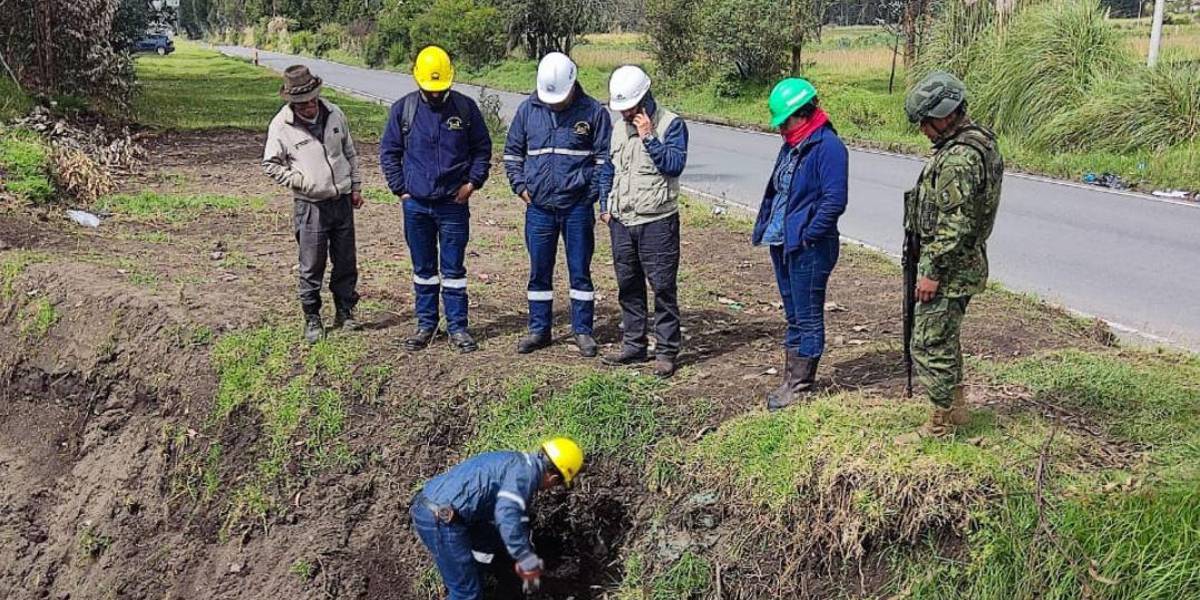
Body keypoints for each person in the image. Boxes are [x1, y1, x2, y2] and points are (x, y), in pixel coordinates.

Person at [900, 71, 1004, 439]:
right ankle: (957, 409)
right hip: (961, 262)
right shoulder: (978, 141)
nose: (923, 130)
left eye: (926, 121)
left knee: (928, 342)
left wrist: (931, 271)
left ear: (945, 115)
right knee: (944, 338)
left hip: (950, 267)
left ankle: (940, 424)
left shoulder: (960, 158)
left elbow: (954, 224)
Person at [380, 46, 492, 353]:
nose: (435, 93)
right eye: (430, 89)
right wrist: (401, 190)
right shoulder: (403, 110)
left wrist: (472, 183)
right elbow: (389, 152)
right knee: (424, 269)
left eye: (440, 88)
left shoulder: (465, 109)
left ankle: (458, 327)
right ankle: (426, 325)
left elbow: (482, 149)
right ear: (417, 79)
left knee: (453, 270)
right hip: (416, 205)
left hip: (453, 205)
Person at [503, 52, 613, 357]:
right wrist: (521, 188)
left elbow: (605, 160)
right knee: (539, 271)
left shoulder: (593, 112)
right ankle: (539, 329)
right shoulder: (527, 110)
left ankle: (582, 331)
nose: (554, 103)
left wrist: (589, 195)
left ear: (573, 84)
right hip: (539, 209)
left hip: (577, 208)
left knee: (580, 270)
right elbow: (512, 154)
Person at [751, 78, 848, 411]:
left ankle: (802, 386)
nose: (781, 128)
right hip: (784, 242)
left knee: (807, 316)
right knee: (793, 314)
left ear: (802, 114)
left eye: (785, 121)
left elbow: (834, 201)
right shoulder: (793, 144)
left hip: (810, 247)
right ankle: (791, 380)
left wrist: (808, 234)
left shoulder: (828, 147)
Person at [410, 438, 585, 600]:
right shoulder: (525, 477)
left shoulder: (515, 461)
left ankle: (479, 578)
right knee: (466, 594)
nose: (552, 488)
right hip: (441, 520)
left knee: (491, 542)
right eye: (559, 484)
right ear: (554, 478)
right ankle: (470, 584)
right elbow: (507, 517)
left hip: (438, 507)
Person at [599, 65, 689, 378]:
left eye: (629, 107)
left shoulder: (671, 124)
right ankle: (633, 345)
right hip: (622, 220)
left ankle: (665, 351)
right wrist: (604, 205)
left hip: (658, 221)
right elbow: (608, 167)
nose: (625, 114)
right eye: (621, 108)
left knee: (662, 287)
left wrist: (649, 137)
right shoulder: (617, 128)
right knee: (628, 285)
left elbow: (674, 165)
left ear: (644, 98)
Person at [263, 65, 364, 344]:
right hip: (310, 206)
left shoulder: (335, 113)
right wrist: (301, 182)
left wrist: (355, 186)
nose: (309, 107)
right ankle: (312, 317)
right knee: (311, 264)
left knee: (346, 260)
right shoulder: (281, 126)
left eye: (312, 100)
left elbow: (350, 152)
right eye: (302, 104)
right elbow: (270, 165)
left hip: (341, 201)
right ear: (292, 103)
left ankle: (345, 311)